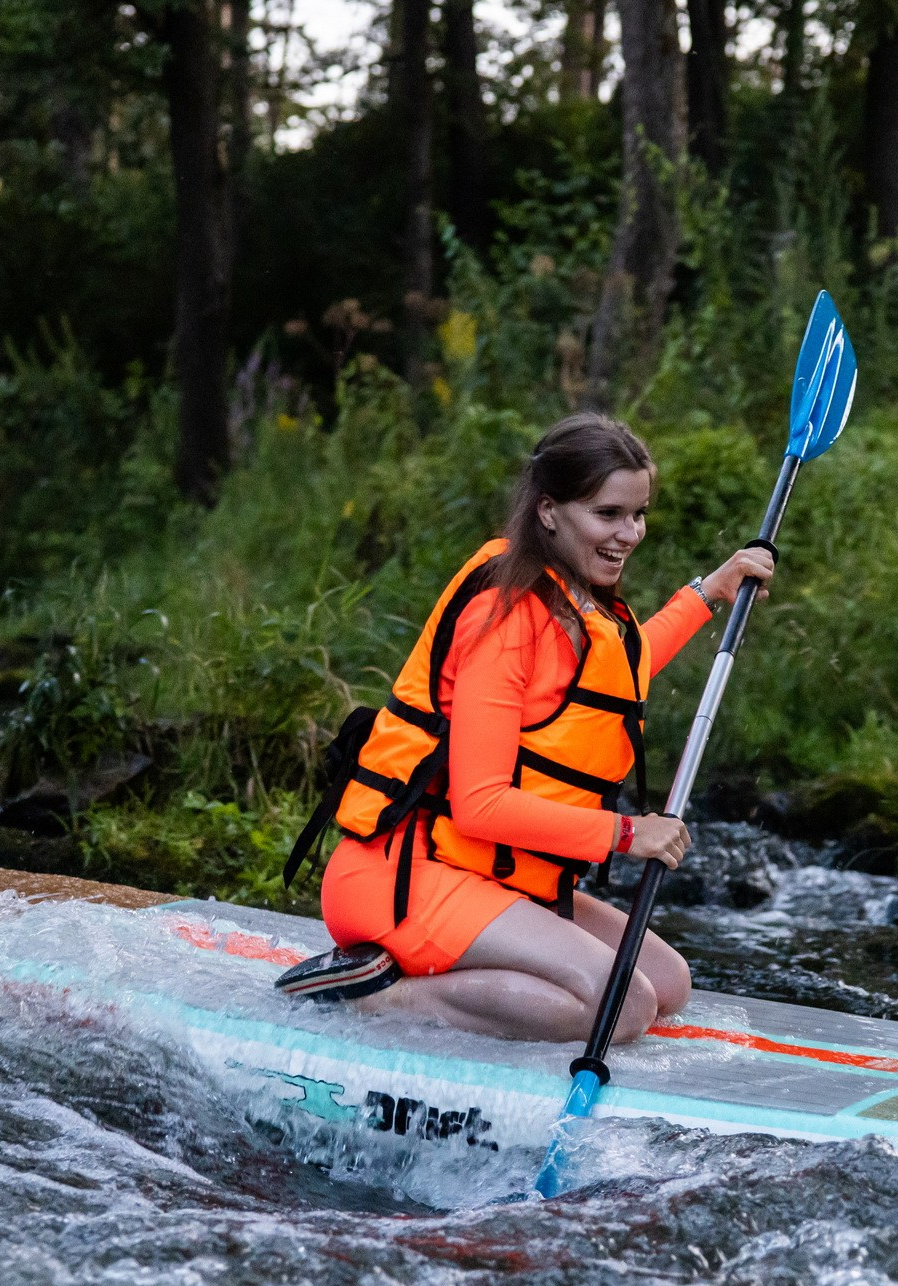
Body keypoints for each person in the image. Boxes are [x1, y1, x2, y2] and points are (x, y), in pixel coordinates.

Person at [275, 413, 774, 1044]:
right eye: (608, 514)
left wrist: (709, 592)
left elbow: (611, 681)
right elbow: (480, 804)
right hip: (406, 874)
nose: (629, 534)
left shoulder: (572, 599)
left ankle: (457, 976)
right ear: (548, 512)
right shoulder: (506, 617)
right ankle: (376, 994)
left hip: (492, 872)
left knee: (666, 983)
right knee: (624, 1007)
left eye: (638, 514)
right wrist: (624, 834)